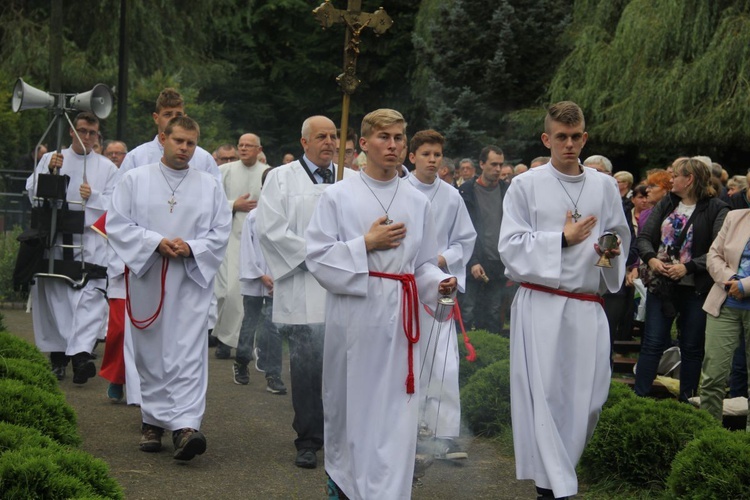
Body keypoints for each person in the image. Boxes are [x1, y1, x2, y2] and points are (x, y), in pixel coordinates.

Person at [304, 108, 456, 500]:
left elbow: (423, 263)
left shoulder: (418, 201)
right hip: (355, 315)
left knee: (398, 412)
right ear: (365, 142)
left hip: (402, 322)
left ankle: (389, 491)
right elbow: (317, 258)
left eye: (399, 138)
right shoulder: (338, 195)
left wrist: (440, 283)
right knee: (353, 404)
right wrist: (364, 245)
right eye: (384, 137)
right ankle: (348, 483)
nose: (393, 145)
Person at [498, 101, 629, 500]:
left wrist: (610, 249)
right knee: (547, 396)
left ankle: (560, 477)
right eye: (561, 137)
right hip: (542, 304)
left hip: (587, 305)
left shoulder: (604, 186)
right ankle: (551, 488)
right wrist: (561, 239)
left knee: (588, 400)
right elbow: (510, 246)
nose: (569, 144)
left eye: (576, 137)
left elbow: (618, 236)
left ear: (584, 138)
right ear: (546, 139)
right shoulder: (526, 185)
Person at [107, 115, 231, 461]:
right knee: (151, 353)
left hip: (190, 280)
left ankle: (186, 426)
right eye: (179, 141)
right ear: (163, 138)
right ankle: (152, 422)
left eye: (191, 143)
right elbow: (117, 223)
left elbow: (220, 231)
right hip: (149, 277)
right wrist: (154, 242)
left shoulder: (209, 185)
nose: (185, 149)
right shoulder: (134, 179)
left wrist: (192, 248)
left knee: (188, 353)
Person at [256, 115, 351, 469]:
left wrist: (342, 259)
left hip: (342, 288)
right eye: (322, 137)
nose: (329, 142)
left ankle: (342, 434)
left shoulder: (350, 179)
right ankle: (308, 438)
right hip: (302, 285)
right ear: (305, 142)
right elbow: (271, 230)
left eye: (334, 136)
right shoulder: (281, 179)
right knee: (307, 368)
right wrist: (320, 257)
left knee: (343, 368)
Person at [26, 112, 119, 383]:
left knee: (89, 302)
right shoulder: (52, 158)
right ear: (71, 132)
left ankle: (80, 356)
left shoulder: (107, 168)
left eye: (92, 132)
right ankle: (59, 359)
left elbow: (118, 205)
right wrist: (49, 171)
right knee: (56, 300)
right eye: (82, 131)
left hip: (89, 243)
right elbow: (32, 192)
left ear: (97, 135)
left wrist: (96, 196)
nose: (86, 137)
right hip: (56, 241)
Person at [634, 158, 728, 402]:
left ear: (690, 179)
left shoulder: (717, 209)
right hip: (661, 285)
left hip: (695, 288)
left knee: (692, 347)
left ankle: (686, 403)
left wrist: (687, 267)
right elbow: (644, 237)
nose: (671, 179)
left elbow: (718, 250)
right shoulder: (667, 203)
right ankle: (639, 399)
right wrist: (652, 260)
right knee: (652, 343)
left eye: (676, 175)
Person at [406, 129, 476, 460]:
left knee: (445, 363)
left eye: (437, 155)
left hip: (441, 290)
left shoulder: (451, 196)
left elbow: (465, 240)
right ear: (412, 157)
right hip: (406, 291)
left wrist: (441, 261)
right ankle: (411, 431)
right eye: (426, 154)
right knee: (411, 363)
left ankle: (444, 434)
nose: (433, 160)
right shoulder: (400, 191)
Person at [213, 134, 266, 365]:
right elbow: (213, 202)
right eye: (241, 145)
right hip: (229, 236)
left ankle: (231, 342)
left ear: (259, 149)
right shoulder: (225, 171)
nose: (243, 149)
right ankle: (220, 335)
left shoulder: (269, 172)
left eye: (248, 146)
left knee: (243, 292)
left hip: (255, 238)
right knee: (225, 291)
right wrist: (234, 204)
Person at [700, 208, 750, 429]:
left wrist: (744, 286)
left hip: (742, 294)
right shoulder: (735, 216)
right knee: (713, 377)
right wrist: (730, 279)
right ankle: (708, 438)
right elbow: (714, 255)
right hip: (724, 302)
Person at [237, 167, 286, 394]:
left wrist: (278, 276)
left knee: (273, 328)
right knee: (250, 322)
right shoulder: (254, 216)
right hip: (255, 278)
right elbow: (246, 248)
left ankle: (273, 374)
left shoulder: (286, 213)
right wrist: (260, 275)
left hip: (278, 280)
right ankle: (241, 361)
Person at [458, 145, 509, 333]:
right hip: (474, 260)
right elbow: (461, 231)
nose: (498, 169)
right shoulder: (466, 192)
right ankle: (465, 355)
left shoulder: (507, 191)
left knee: (494, 313)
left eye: (500, 165)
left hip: (499, 262)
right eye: (493, 164)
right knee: (467, 312)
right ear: (481, 164)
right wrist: (472, 261)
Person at [120, 88, 220, 182]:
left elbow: (217, 193)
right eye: (167, 114)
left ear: (185, 117)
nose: (173, 119)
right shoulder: (136, 158)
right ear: (156, 118)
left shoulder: (204, 159)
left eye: (178, 115)